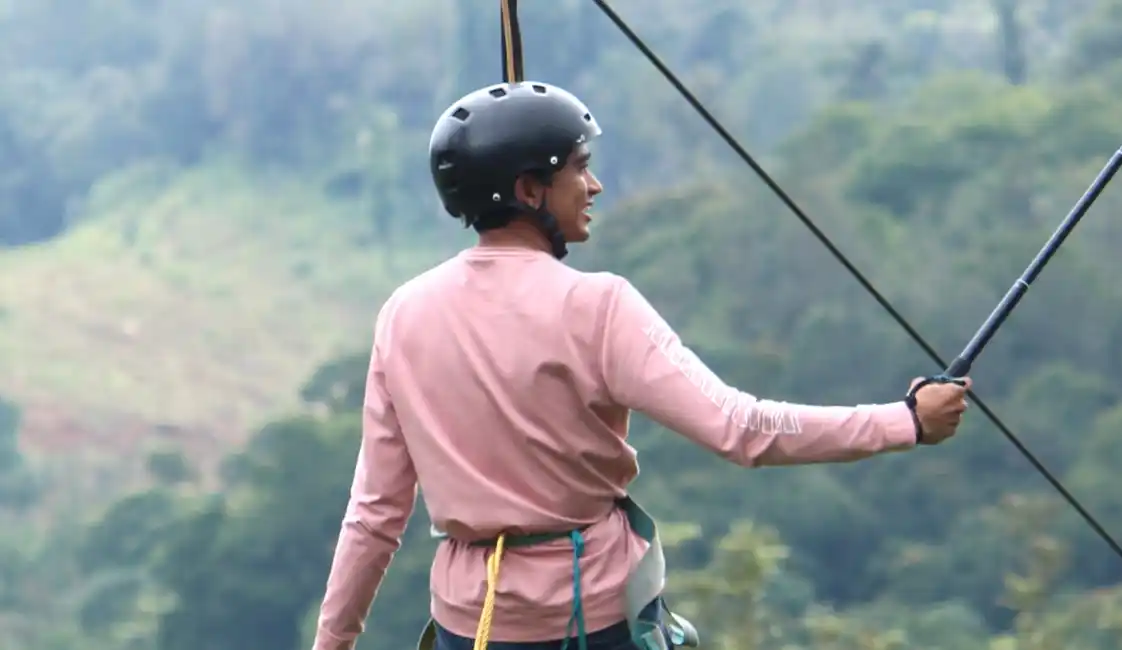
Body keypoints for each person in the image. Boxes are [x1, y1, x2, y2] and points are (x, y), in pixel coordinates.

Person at [309, 81, 970, 650]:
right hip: (592, 622)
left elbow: (375, 515)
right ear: (528, 188)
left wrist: (332, 643)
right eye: (578, 167)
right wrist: (905, 421)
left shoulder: (405, 312)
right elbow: (741, 429)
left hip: (471, 630)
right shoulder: (596, 306)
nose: (592, 185)